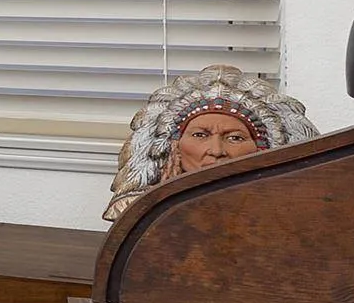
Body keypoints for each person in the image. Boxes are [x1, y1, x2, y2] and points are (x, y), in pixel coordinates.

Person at [105, 65, 317, 222]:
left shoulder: (285, 216)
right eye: (200, 135)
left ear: (263, 149)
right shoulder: (141, 214)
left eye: (235, 138)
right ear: (172, 145)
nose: (216, 151)